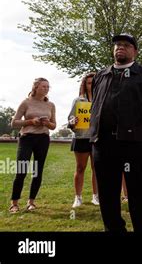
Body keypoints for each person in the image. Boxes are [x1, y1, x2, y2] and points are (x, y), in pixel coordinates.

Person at [89, 33, 142, 232]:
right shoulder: (101, 75)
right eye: (117, 45)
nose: (120, 47)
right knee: (107, 193)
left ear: (135, 51)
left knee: (138, 191)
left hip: (133, 144)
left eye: (126, 45)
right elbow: (96, 105)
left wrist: (141, 129)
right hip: (103, 144)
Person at [9, 78, 56, 213]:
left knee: (37, 171)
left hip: (43, 139)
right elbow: (14, 123)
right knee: (21, 171)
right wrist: (30, 121)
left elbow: (54, 126)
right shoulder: (26, 102)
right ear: (35, 88)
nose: (46, 89)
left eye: (48, 87)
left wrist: (46, 123)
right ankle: (14, 203)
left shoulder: (51, 105)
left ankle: (31, 202)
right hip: (26, 139)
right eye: (43, 86)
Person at [67, 72, 99, 208]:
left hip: (97, 138)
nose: (91, 85)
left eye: (94, 82)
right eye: (89, 83)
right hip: (81, 137)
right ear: (84, 85)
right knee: (80, 168)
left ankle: (95, 196)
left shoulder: (101, 100)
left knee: (96, 169)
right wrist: (73, 121)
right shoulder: (78, 100)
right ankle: (78, 197)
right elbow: (70, 120)